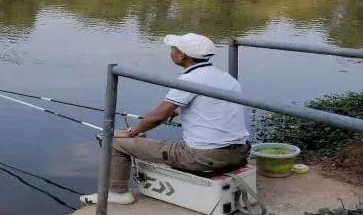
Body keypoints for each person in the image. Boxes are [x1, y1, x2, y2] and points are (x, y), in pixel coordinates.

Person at [81, 33, 250, 205]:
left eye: (173, 49)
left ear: (181, 55)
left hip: (204, 157)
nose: (171, 52)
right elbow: (214, 106)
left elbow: (157, 117)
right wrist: (178, 110)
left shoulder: (189, 79)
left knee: (116, 140)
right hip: (240, 152)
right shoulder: (226, 78)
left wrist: (131, 132)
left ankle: (117, 192)